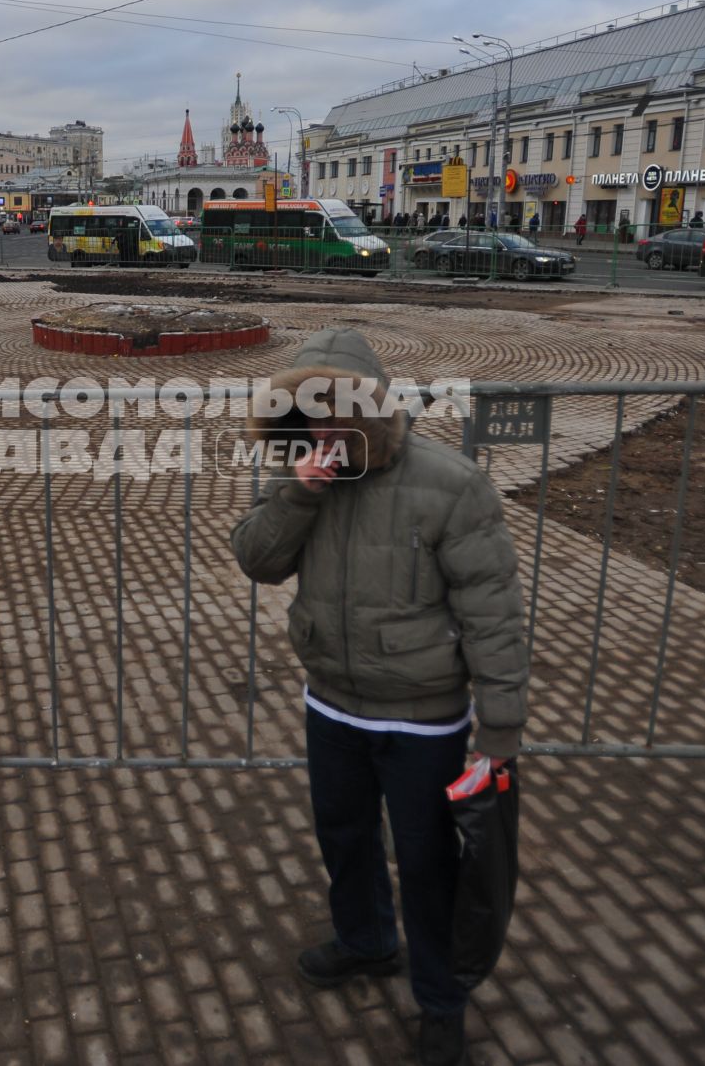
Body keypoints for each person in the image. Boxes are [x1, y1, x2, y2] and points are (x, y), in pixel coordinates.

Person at [231, 327, 529, 1066]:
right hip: (331, 702)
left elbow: (491, 608)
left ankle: (440, 999)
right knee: (343, 833)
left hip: (423, 718)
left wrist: (500, 729)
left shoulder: (449, 483)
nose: (325, 428)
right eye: (310, 410)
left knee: (427, 860)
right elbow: (257, 559)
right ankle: (366, 941)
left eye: (338, 409)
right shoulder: (303, 474)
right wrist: (300, 493)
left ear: (371, 407)